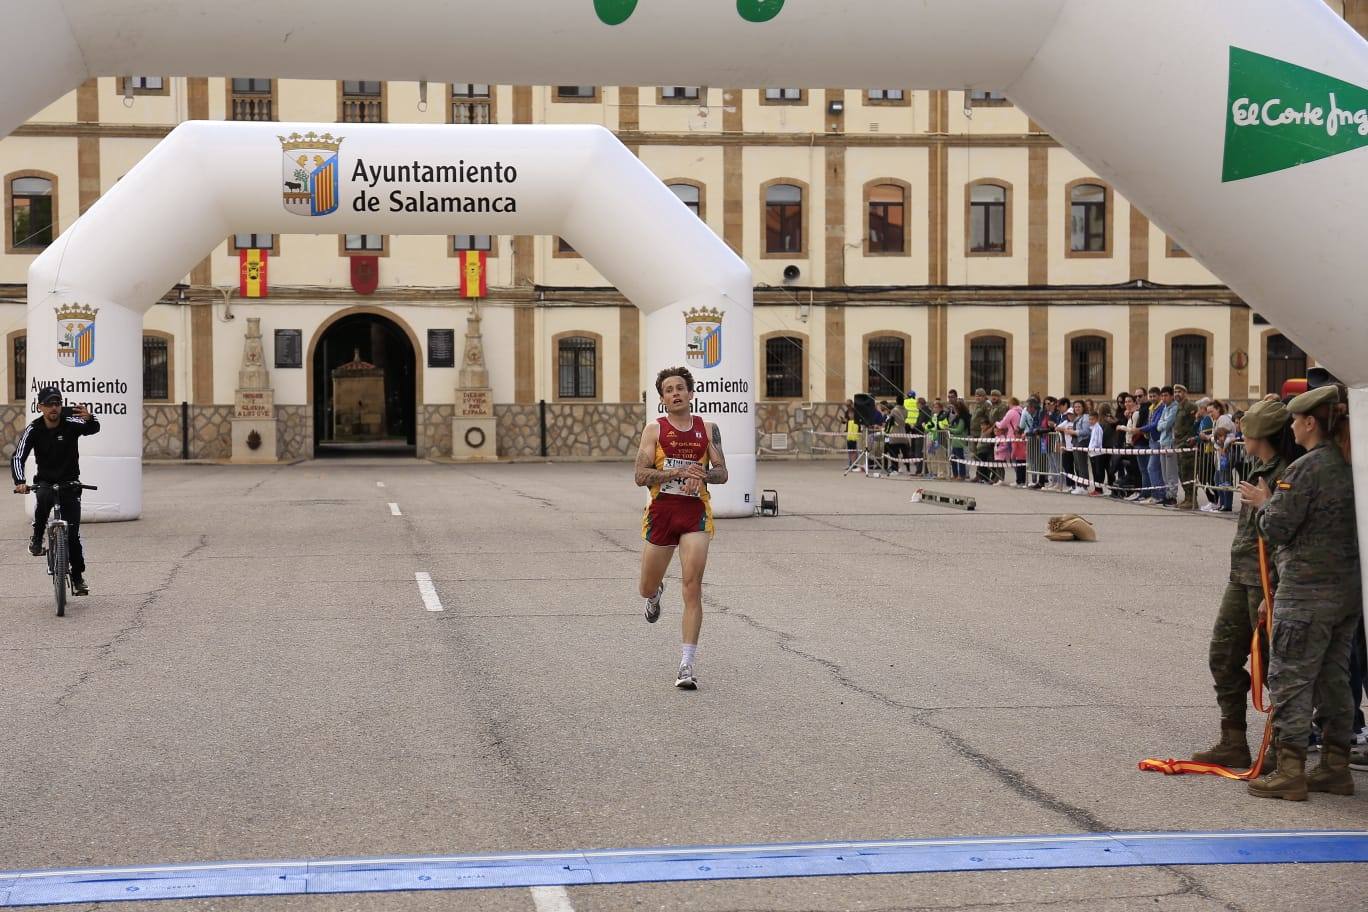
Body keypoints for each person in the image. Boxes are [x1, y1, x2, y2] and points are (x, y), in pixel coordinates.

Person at [1241, 385, 1359, 799]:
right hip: (1345, 591)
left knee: (1290, 677)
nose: (1290, 426)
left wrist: (1264, 503)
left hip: (1306, 591)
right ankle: (1335, 765)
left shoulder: (1307, 468)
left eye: (1295, 419)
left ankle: (1290, 769)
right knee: (1333, 679)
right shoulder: (1350, 463)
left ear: (1310, 423)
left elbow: (1277, 527)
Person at [1188, 399, 1296, 769]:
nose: (1239, 433)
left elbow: (1287, 534)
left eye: (1245, 429)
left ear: (1260, 434)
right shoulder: (1255, 464)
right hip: (1242, 577)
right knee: (1222, 655)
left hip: (1268, 583)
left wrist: (1277, 592)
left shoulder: (1285, 472)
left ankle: (1284, 749)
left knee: (1272, 667)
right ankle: (1233, 739)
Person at [634, 366, 728, 690]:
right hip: (661, 513)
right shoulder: (654, 431)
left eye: (680, 388)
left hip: (695, 514)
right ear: (662, 399)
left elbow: (722, 473)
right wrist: (674, 474)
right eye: (669, 390)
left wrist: (700, 475)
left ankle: (687, 664)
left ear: (690, 393)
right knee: (645, 586)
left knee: (692, 585)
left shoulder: (708, 428)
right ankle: (655, 594)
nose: (675, 393)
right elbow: (640, 475)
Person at [12, 387, 101, 596]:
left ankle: (78, 577)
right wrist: (20, 481)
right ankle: (36, 539)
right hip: (45, 482)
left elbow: (93, 429)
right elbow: (18, 457)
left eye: (57, 403)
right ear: (40, 406)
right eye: (49, 404)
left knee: (73, 536)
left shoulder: (71, 423)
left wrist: (90, 418)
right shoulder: (34, 429)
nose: (54, 408)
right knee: (42, 499)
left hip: (70, 483)